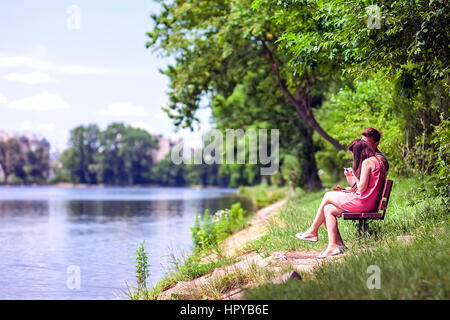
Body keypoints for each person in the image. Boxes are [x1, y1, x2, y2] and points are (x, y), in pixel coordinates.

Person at [295, 139, 386, 258]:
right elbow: (364, 187)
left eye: (353, 154)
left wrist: (354, 174)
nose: (353, 156)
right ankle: (336, 246)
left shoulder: (367, 163)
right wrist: (351, 180)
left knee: (327, 195)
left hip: (364, 202)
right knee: (328, 209)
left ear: (358, 152)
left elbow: (362, 188)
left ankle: (312, 231)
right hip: (370, 202)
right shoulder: (376, 161)